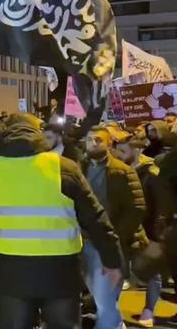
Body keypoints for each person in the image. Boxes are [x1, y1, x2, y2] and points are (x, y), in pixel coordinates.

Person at [0, 114, 123, 328]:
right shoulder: (64, 167)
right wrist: (113, 260)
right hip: (60, 274)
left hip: (11, 275)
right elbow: (96, 218)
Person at [82, 126, 147, 329]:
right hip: (82, 242)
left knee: (105, 300)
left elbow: (136, 208)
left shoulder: (122, 171)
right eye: (89, 139)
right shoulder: (77, 168)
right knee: (98, 297)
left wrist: (115, 236)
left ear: (110, 144)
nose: (93, 143)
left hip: (107, 245)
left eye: (98, 140)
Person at [111, 132, 170, 328]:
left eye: (122, 151)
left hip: (147, 232)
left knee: (152, 274)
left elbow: (161, 206)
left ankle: (148, 310)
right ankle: (112, 314)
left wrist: (156, 235)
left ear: (136, 150)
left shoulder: (152, 173)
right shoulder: (117, 170)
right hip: (123, 230)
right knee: (117, 273)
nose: (117, 155)